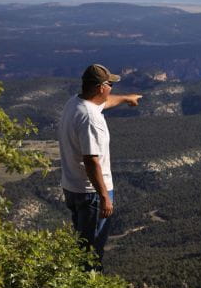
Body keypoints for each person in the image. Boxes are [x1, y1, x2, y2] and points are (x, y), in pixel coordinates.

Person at [58, 63, 141, 270]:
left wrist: (126, 98)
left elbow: (103, 103)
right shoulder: (90, 119)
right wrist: (104, 196)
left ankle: (80, 283)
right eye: (110, 84)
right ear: (100, 87)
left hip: (72, 187)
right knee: (92, 252)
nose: (111, 88)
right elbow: (91, 161)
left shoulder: (74, 103)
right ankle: (89, 286)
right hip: (91, 194)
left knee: (82, 245)